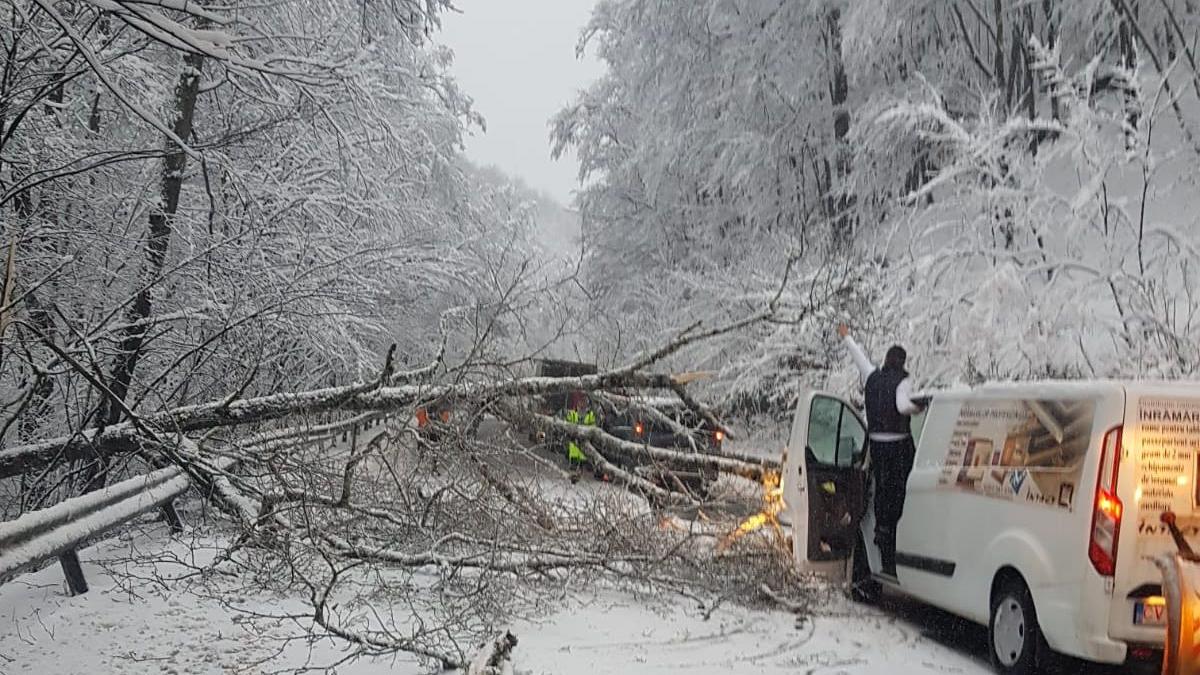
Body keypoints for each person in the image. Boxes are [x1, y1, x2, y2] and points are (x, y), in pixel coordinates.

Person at [838, 323, 925, 579]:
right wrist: (920, 407)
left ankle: (880, 531)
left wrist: (847, 337)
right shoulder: (904, 381)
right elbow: (902, 406)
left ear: (887, 359)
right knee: (898, 492)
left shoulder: (872, 376)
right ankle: (894, 536)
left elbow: (859, 358)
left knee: (882, 489)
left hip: (876, 444)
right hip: (898, 445)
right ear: (903, 362)